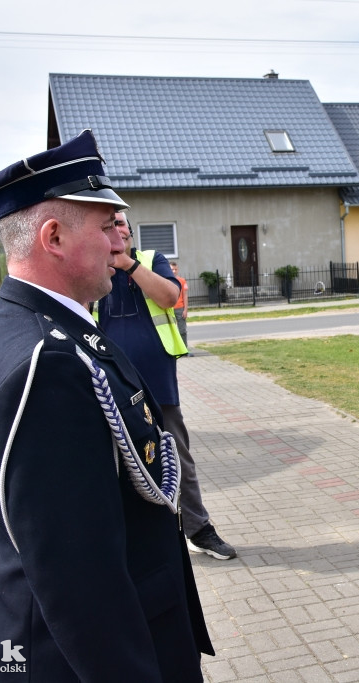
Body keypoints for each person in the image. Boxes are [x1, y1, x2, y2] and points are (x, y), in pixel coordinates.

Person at [0, 130, 213, 680]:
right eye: (105, 228)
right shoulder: (46, 362)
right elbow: (77, 577)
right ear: (53, 237)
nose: (118, 244)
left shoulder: (36, 328)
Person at [99, 211, 237, 560]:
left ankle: (198, 529)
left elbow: (169, 297)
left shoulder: (149, 260)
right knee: (116, 461)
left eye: (120, 223)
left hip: (157, 381)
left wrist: (128, 266)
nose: (116, 228)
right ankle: (126, 540)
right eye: (108, 224)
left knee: (176, 453)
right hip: (111, 381)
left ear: (130, 232)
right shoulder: (92, 266)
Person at [171, 261, 190, 350]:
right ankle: (174, 349)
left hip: (180, 308)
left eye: (176, 269)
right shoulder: (166, 280)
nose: (174, 271)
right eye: (172, 269)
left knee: (182, 330)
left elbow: (185, 295)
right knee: (172, 331)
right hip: (169, 308)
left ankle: (184, 348)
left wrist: (185, 310)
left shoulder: (182, 281)